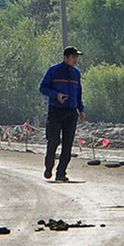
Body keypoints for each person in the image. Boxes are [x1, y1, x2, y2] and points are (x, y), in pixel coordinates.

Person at [39, 46, 86, 181]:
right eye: (73, 57)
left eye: (76, 57)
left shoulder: (76, 73)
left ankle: (61, 173)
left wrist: (81, 109)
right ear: (66, 57)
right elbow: (43, 87)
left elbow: (79, 92)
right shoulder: (54, 71)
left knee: (68, 143)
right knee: (53, 140)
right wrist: (56, 95)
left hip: (71, 112)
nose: (75, 60)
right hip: (56, 110)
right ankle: (49, 167)